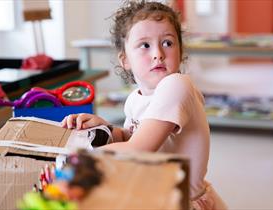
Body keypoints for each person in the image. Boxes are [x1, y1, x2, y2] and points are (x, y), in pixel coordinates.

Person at [61, 1, 227, 209]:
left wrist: (79, 159)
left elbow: (138, 149)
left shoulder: (176, 85)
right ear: (125, 60)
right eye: (145, 45)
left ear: (180, 49)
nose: (158, 53)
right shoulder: (134, 98)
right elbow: (134, 136)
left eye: (167, 42)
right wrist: (107, 128)